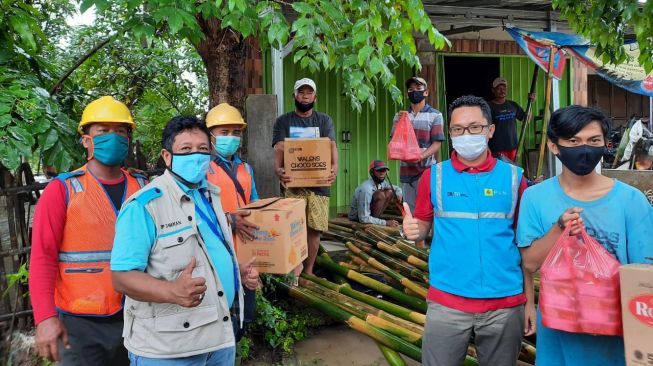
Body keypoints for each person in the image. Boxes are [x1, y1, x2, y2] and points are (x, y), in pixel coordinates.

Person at [110, 116, 258, 365]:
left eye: (202, 149)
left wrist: (236, 273)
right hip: (171, 350)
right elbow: (121, 277)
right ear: (167, 157)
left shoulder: (210, 195)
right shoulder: (145, 206)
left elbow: (207, 252)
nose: (196, 156)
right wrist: (171, 290)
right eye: (186, 149)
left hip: (219, 337)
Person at [402, 95, 534, 366]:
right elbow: (424, 225)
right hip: (447, 302)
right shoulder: (434, 176)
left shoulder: (514, 179)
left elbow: (525, 248)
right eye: (458, 129)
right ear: (450, 133)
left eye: (475, 127)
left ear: (490, 130)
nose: (466, 135)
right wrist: (415, 230)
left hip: (504, 305)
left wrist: (528, 302)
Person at [517, 105, 653, 366]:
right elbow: (530, 263)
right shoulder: (535, 198)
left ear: (604, 144)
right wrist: (559, 229)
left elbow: (643, 276)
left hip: (616, 337)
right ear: (555, 146)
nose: (584, 149)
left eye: (593, 141)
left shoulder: (631, 201)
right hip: (558, 333)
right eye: (573, 141)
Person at [29, 96, 145, 365]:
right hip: (80, 325)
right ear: (86, 139)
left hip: (138, 316)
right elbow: (42, 257)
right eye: (103, 131)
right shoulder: (62, 190)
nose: (113, 137)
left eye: (120, 131)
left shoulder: (142, 186)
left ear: (128, 138)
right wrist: (45, 319)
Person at [204, 103, 260, 341]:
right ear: (211, 136)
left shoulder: (246, 169)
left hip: (245, 255)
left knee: (240, 323)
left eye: (236, 132)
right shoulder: (202, 169)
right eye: (224, 132)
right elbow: (195, 213)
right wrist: (228, 220)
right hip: (215, 259)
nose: (231, 138)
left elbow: (256, 206)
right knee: (216, 320)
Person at [273, 77, 338, 276]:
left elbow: (330, 145)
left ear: (315, 97)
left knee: (314, 230)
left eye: (309, 93)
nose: (305, 96)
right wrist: (278, 169)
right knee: (293, 228)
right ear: (294, 95)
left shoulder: (324, 120)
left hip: (320, 185)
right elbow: (279, 147)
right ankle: (294, 270)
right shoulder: (284, 121)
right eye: (301, 92)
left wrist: (334, 166)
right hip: (293, 185)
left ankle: (308, 271)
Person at [391, 76, 445, 212]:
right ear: (407, 94)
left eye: (418, 89)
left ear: (426, 92)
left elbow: (437, 143)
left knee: (427, 208)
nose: (414, 91)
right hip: (406, 172)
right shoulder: (400, 116)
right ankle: (414, 234)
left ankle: (430, 234)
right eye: (411, 89)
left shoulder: (435, 115)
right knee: (410, 209)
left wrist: (421, 156)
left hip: (426, 171)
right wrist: (399, 122)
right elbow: (395, 142)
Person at [488, 77, 534, 162]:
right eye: (499, 88)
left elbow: (526, 119)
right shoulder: (488, 107)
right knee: (500, 172)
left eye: (504, 88)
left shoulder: (513, 105)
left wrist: (531, 103)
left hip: (512, 147)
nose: (502, 91)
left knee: (512, 170)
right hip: (497, 149)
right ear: (493, 90)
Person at [349, 160, 403, 227]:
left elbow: (396, 188)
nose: (382, 173)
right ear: (372, 172)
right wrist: (385, 222)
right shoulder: (366, 189)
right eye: (379, 170)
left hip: (370, 214)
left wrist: (399, 194)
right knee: (381, 195)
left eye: (384, 170)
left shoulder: (382, 183)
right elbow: (363, 218)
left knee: (390, 192)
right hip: (358, 217)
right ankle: (375, 220)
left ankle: (375, 218)